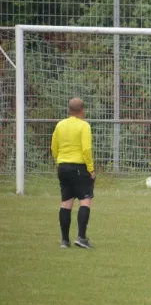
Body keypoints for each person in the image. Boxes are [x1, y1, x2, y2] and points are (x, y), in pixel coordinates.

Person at [51, 98, 95, 248]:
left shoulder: (60, 125)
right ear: (83, 110)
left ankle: (64, 240)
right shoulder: (84, 126)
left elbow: (54, 147)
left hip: (63, 167)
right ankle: (81, 237)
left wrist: (59, 162)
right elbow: (86, 150)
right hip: (79, 167)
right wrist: (91, 169)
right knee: (85, 201)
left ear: (68, 110)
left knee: (66, 203)